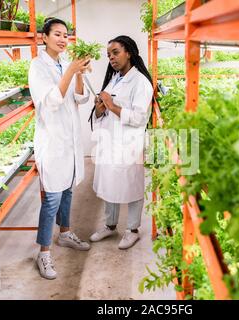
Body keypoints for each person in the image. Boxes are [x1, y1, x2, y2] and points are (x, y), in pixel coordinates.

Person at [28, 18, 91, 280]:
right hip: (53, 142)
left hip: (70, 141)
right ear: (44, 37)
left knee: (67, 190)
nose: (63, 39)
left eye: (66, 35)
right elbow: (52, 102)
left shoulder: (65, 63)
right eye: (57, 34)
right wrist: (69, 72)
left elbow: (80, 98)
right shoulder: (37, 67)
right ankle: (43, 252)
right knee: (51, 198)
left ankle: (65, 234)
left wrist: (77, 74)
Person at [89, 35, 153, 249]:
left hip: (129, 144)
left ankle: (132, 229)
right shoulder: (115, 77)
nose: (112, 58)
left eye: (115, 52)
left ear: (129, 53)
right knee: (110, 184)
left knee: (132, 185)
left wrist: (112, 105)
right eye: (109, 55)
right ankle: (110, 225)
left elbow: (139, 118)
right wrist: (99, 110)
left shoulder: (141, 83)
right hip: (110, 142)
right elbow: (105, 111)